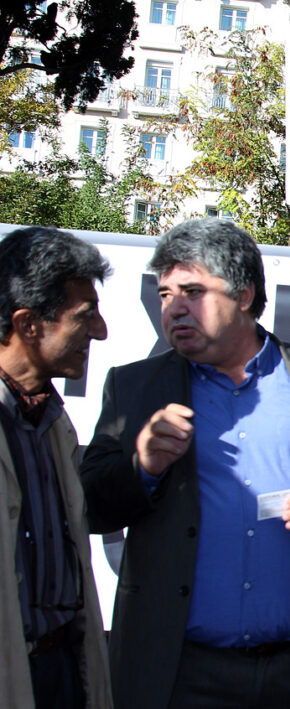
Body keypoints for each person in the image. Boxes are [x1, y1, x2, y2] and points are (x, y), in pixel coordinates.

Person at [80, 218, 290, 709]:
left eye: (191, 291)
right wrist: (142, 466)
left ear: (244, 295)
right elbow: (91, 504)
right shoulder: (134, 388)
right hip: (182, 670)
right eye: (164, 295)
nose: (173, 309)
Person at [0, 226, 112, 708]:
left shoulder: (52, 421)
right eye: (84, 316)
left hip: (61, 672)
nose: (100, 331)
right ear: (28, 325)